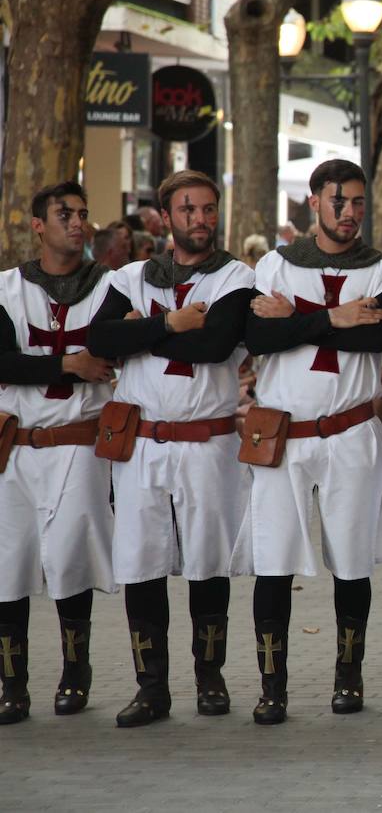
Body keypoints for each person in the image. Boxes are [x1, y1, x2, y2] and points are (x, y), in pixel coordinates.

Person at [234, 158, 382, 725]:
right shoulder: (275, 266)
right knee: (274, 561)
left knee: (352, 564)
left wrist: (299, 319)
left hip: (351, 431)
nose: (350, 212)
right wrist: (334, 315)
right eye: (340, 201)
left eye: (358, 203)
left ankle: (348, 676)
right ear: (314, 202)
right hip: (283, 434)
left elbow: (380, 333)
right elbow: (257, 333)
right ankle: (271, 686)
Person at [87, 170, 256, 727]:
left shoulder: (236, 277)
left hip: (207, 442)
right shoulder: (130, 277)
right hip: (142, 442)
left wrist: (144, 331)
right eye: (188, 210)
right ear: (166, 217)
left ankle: (210, 678)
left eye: (208, 209)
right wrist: (171, 322)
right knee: (142, 562)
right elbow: (100, 339)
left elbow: (212, 346)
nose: (201, 220)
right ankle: (151, 686)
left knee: (208, 561)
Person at [0, 182, 117, 725]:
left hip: (77, 442)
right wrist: (66, 365)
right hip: (16, 448)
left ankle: (75, 671)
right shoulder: (6, 290)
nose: (77, 222)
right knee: (8, 565)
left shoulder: (110, 289)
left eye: (83, 214)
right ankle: (12, 683)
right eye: (64, 214)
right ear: (38, 225)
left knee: (71, 558)